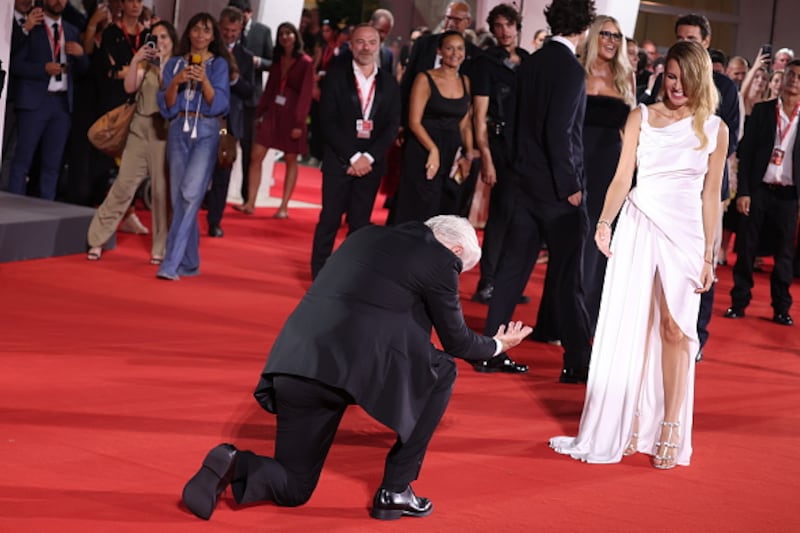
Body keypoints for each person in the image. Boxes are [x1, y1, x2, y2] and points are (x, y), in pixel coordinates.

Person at [180, 215, 532, 521]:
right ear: (456, 252)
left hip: (294, 364)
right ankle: (396, 490)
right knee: (445, 370)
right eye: (461, 269)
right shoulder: (441, 260)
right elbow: (457, 343)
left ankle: (233, 462)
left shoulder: (364, 234)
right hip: (350, 369)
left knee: (294, 486)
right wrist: (499, 346)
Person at [550, 41, 728, 468]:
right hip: (640, 222)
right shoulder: (641, 117)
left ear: (699, 78)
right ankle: (627, 420)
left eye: (684, 77)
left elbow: (711, 197)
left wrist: (709, 256)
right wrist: (604, 222)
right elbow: (621, 178)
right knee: (633, 324)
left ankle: (669, 426)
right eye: (670, 76)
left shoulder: (715, 128)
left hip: (685, 232)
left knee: (674, 327)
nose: (676, 85)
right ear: (661, 75)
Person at [485, 0, 596, 384]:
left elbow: (511, 124)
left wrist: (518, 171)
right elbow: (560, 133)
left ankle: (490, 350)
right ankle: (577, 361)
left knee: (511, 272)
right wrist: (570, 187)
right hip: (557, 194)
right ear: (584, 27)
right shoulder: (570, 70)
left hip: (524, 185)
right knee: (568, 279)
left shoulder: (528, 62)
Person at [467, 4, 530, 375]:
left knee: (517, 217)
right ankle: (488, 281)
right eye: (499, 25)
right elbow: (479, 116)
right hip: (499, 144)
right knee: (500, 217)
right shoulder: (486, 63)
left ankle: (504, 279)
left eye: (509, 25)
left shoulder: (528, 61)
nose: (504, 31)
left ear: (518, 27)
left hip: (525, 149)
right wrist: (486, 157)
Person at [309, 25, 400, 279]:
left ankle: (348, 274)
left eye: (371, 42)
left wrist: (368, 158)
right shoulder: (336, 78)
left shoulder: (390, 84)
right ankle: (319, 274)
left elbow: (392, 126)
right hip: (339, 161)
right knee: (329, 220)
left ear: (379, 44)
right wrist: (352, 157)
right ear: (351, 45)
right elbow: (327, 121)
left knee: (360, 225)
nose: (366, 47)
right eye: (360, 42)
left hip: (370, 166)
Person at [86, 20, 177, 263]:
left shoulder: (179, 66)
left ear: (173, 40)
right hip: (138, 129)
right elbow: (129, 88)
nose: (160, 43)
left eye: (165, 37)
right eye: (155, 38)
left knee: (160, 191)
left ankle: (160, 247)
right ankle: (97, 239)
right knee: (123, 186)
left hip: (163, 133)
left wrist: (163, 69)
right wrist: (137, 59)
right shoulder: (145, 64)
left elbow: (173, 99)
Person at [155, 13, 232, 280]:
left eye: (206, 30)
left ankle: (170, 263)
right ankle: (190, 261)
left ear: (212, 36)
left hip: (207, 131)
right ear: (188, 33)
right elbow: (165, 106)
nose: (200, 34)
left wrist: (204, 81)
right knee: (179, 198)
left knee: (189, 195)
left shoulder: (219, 64)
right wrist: (176, 82)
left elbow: (220, 104)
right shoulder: (175, 64)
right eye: (196, 29)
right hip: (178, 128)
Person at [724, 59, 800, 327]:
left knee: (784, 255)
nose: (793, 80)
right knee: (746, 248)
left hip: (789, 195)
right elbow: (746, 154)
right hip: (758, 190)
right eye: (790, 74)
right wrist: (743, 192)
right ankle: (738, 302)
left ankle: (781, 308)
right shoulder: (763, 111)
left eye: (799, 77)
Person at [579, 15, 634, 333]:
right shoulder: (576, 73)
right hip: (578, 163)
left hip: (609, 167)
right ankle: (559, 319)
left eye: (617, 36)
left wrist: (630, 170)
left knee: (598, 239)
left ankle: (590, 319)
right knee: (574, 240)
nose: (612, 41)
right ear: (594, 37)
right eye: (606, 35)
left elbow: (628, 130)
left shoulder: (625, 76)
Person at [7, 0, 89, 200]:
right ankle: (13, 211)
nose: (58, 1)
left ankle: (47, 213)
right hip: (34, 103)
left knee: (53, 166)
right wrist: (42, 69)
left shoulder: (71, 30)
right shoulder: (32, 26)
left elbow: (85, 71)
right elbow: (15, 65)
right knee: (22, 162)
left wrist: (81, 55)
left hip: (61, 105)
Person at [393, 31, 475, 223]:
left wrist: (468, 154)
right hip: (423, 149)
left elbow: (465, 123)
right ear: (440, 51)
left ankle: (432, 252)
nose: (455, 53)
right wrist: (433, 150)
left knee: (443, 209)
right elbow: (414, 121)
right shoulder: (425, 78)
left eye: (460, 48)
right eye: (449, 48)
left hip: (451, 151)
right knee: (419, 206)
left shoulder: (465, 81)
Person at [235, 22, 314, 218]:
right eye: (281, 34)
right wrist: (260, 113)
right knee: (256, 155)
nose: (285, 37)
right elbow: (270, 88)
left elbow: (306, 95)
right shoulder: (277, 60)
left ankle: (284, 206)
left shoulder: (305, 62)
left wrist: (299, 123)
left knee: (290, 159)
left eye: (289, 33)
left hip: (292, 115)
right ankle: (250, 202)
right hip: (272, 113)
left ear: (296, 36)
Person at [206, 6, 255, 238]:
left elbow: (250, 92)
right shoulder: (206, 50)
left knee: (222, 173)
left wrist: (235, 79)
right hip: (203, 117)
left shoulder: (245, 57)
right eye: (225, 30)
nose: (229, 35)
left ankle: (214, 221)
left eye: (234, 31)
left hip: (228, 124)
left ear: (241, 29)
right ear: (219, 27)